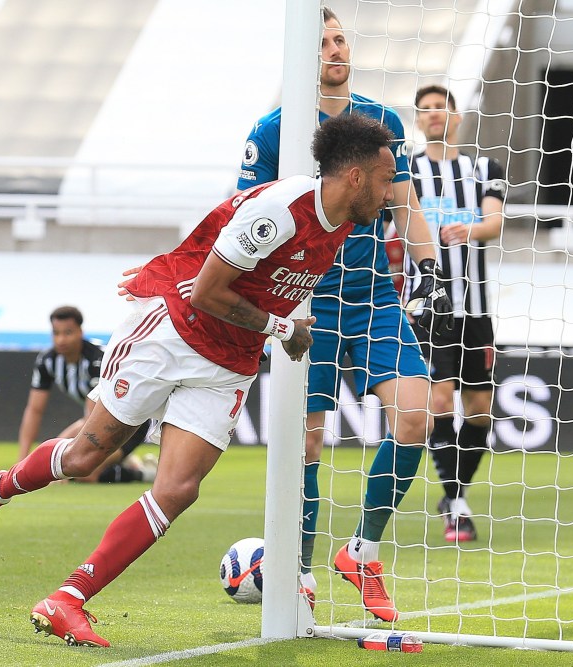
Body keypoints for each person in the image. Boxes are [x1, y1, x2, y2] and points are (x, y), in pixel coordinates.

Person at [0, 113, 398, 648]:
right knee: (89, 455)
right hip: (173, 329)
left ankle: (68, 598)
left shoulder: (344, 223)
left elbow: (257, 267)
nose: (392, 193)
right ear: (357, 177)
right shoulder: (282, 209)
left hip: (231, 359)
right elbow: (206, 290)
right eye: (387, 180)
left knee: (178, 489)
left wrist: (286, 324)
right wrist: (281, 328)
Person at [236, 7, 452, 622]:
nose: (336, 49)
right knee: (305, 443)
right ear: (302, 56)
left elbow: (405, 206)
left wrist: (429, 271)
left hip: (376, 295)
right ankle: (298, 574)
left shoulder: (381, 121)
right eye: (323, 42)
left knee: (414, 414)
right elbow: (245, 215)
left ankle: (361, 549)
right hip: (306, 301)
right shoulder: (274, 130)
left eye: (339, 39)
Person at [402, 85, 505, 542]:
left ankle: (456, 490)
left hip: (476, 309)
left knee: (480, 409)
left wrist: (473, 227)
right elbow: (393, 225)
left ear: (456, 116)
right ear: (417, 120)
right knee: (439, 401)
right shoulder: (406, 171)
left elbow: (496, 222)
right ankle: (456, 502)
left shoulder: (484, 169)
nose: (433, 115)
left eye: (440, 108)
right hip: (428, 307)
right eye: (425, 110)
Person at [18, 306, 156, 484]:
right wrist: (22, 462)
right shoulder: (47, 361)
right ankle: (127, 462)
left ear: (80, 332)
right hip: (101, 419)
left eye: (68, 332)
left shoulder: (99, 359)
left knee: (84, 471)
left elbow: (92, 416)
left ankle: (146, 473)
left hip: (132, 421)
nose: (61, 339)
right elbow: (34, 410)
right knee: (70, 466)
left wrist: (56, 459)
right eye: (56, 333)